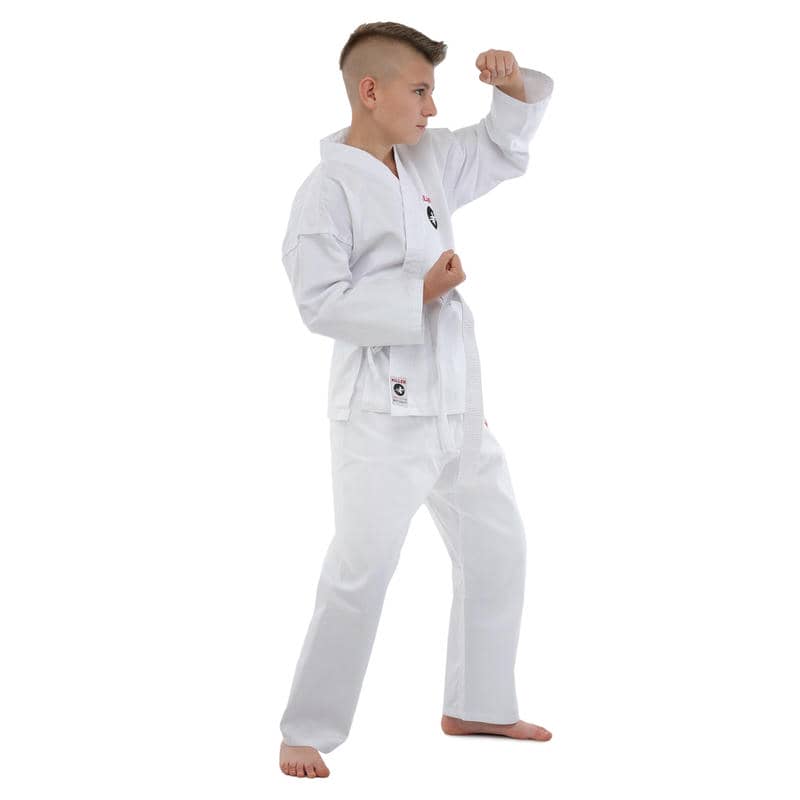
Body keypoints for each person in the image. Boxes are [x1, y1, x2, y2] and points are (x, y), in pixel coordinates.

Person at [278, 21, 555, 779]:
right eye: (421, 90)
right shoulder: (325, 192)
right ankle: (306, 728)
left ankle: (479, 703)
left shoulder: (424, 160)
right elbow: (319, 302)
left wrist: (511, 88)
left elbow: (498, 149)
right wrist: (419, 291)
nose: (433, 108)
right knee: (362, 567)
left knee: (498, 545)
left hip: (455, 402)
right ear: (370, 92)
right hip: (380, 415)